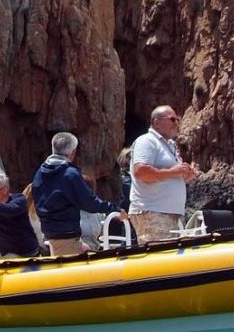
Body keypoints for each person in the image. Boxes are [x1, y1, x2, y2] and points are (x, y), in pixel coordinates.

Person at [31, 132, 126, 256]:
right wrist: (114, 209)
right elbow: (89, 203)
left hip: (50, 233)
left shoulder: (40, 173)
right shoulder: (70, 174)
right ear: (72, 152)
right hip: (67, 234)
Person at [128, 105, 197, 244]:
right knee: (157, 259)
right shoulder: (147, 141)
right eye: (172, 119)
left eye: (177, 119)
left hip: (169, 215)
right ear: (156, 122)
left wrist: (185, 175)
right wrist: (174, 172)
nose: (176, 123)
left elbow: (170, 175)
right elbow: (140, 172)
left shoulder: (169, 145)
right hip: (152, 214)